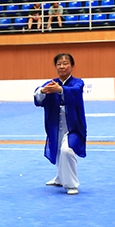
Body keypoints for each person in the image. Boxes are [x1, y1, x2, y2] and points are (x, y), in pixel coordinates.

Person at [34, 53, 86, 196]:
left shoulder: (78, 83)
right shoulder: (51, 83)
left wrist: (61, 90)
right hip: (56, 125)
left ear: (72, 66)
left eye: (65, 63)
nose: (62, 66)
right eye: (59, 64)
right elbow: (38, 98)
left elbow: (75, 92)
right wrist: (42, 91)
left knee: (67, 150)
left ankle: (71, 184)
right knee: (57, 150)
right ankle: (60, 177)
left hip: (73, 126)